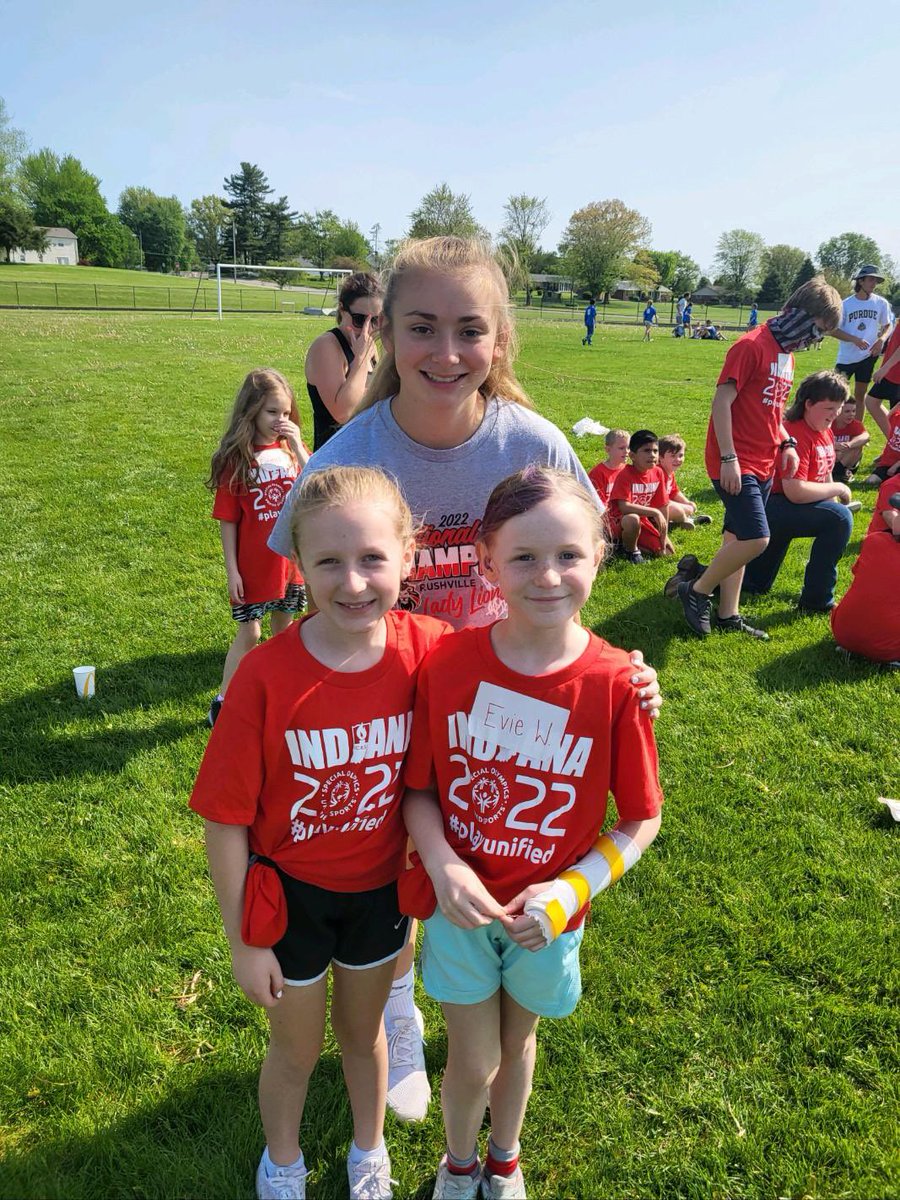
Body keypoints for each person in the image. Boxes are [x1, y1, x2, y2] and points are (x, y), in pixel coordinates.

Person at [268, 235, 663, 1123]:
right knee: (399, 864)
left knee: (481, 851)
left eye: (469, 330)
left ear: (501, 339)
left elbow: (570, 569)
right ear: (384, 335)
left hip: (504, 701)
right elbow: (313, 590)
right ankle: (402, 1006)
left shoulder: (535, 443)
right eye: (421, 328)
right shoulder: (345, 454)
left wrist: (613, 673)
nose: (445, 353)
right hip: (390, 693)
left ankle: (458, 1037)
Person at [399, 466, 663, 1200]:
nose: (548, 576)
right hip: (462, 910)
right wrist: (444, 864)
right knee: (473, 1057)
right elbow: (418, 789)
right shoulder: (449, 664)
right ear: (486, 562)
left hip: (551, 920)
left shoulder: (617, 684)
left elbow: (642, 817)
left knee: (520, 1044)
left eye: (569, 555)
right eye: (522, 558)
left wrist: (572, 887)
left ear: (601, 555)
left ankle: (504, 1159)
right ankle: (458, 1165)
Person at [190, 466, 450, 1200]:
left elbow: (525, 669)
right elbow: (225, 818)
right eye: (328, 561)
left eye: (373, 558)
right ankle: (283, 1162)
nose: (354, 582)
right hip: (289, 901)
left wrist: (622, 679)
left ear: (409, 556)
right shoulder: (266, 677)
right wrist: (243, 941)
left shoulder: (430, 649)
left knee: (364, 1038)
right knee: (297, 1048)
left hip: (379, 895)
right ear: (297, 565)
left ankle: (368, 1154)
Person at [674, 276, 843, 640]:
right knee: (757, 540)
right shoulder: (751, 346)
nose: (816, 338)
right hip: (737, 461)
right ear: (799, 315)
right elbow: (722, 402)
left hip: (766, 459)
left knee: (735, 538)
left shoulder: (788, 355)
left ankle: (728, 614)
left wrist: (787, 444)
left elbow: (773, 411)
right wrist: (729, 458)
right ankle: (697, 590)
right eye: (818, 328)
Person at [206, 368, 310, 726]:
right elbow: (228, 520)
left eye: (285, 413)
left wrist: (298, 446)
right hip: (254, 566)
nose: (280, 420)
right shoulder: (238, 458)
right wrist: (232, 570)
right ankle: (223, 701)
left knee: (285, 630)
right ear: (251, 411)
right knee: (250, 632)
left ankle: (282, 697)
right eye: (271, 413)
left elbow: (317, 487)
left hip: (290, 563)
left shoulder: (291, 452)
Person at [742, 371, 855, 614]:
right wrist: (839, 488)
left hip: (788, 507)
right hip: (775, 506)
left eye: (839, 407)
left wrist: (832, 500)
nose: (835, 414)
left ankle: (695, 572)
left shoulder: (823, 429)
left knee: (753, 584)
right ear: (809, 404)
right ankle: (817, 600)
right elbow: (795, 491)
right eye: (829, 408)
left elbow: (824, 471)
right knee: (839, 520)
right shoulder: (795, 432)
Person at [304, 272, 383, 450]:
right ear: (342, 309)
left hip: (366, 452)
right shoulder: (327, 346)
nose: (367, 329)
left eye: (375, 321)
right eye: (359, 319)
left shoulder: (368, 344)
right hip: (335, 459)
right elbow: (343, 412)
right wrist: (361, 360)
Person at [830, 265, 894, 421]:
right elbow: (832, 330)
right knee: (835, 394)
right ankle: (832, 428)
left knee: (860, 395)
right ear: (861, 281)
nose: (874, 283)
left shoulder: (881, 303)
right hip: (846, 357)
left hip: (868, 356)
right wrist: (854, 340)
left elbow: (888, 325)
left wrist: (881, 339)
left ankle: (857, 430)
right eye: (871, 279)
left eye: (876, 280)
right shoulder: (845, 304)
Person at [831, 523, 900, 663]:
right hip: (888, 647)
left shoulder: (874, 540)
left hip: (843, 633)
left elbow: (858, 574)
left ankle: (856, 643)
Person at [607, 429, 674, 563]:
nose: (652, 455)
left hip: (641, 521)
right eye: (646, 451)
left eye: (655, 451)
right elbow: (624, 507)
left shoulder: (658, 472)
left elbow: (662, 505)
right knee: (632, 519)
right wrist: (654, 512)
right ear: (632, 455)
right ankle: (631, 551)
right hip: (617, 521)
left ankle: (622, 545)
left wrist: (664, 535)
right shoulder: (624, 474)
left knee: (665, 553)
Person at [658, 434, 712, 529]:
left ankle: (680, 520)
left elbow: (674, 492)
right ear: (660, 457)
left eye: (681, 455)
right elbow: (660, 500)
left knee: (689, 506)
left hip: (664, 505)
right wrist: (685, 507)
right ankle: (685, 521)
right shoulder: (658, 473)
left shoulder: (670, 472)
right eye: (673, 456)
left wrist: (687, 503)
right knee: (677, 510)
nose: (678, 459)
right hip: (656, 508)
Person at [831, 395, 869, 483]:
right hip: (832, 456)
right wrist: (835, 446)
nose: (851, 414)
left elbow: (866, 436)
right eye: (847, 411)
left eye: (854, 411)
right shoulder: (830, 423)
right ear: (839, 411)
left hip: (847, 459)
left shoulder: (855, 424)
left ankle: (841, 472)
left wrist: (849, 444)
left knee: (857, 447)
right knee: (835, 451)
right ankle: (836, 473)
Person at [587, 427, 629, 507]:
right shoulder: (598, 473)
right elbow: (597, 504)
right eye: (621, 448)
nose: (626, 451)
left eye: (628, 447)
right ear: (608, 450)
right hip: (607, 515)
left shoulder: (628, 470)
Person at [866, 317, 900, 412]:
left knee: (872, 402)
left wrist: (885, 369)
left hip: (895, 373)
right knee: (871, 401)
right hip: (892, 371)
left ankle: (893, 426)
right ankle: (891, 427)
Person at [863, 398, 900, 485]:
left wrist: (895, 466)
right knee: (870, 481)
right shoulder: (897, 418)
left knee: (893, 483)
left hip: (897, 465)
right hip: (888, 463)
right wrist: (897, 404)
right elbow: (888, 417)